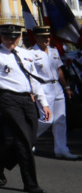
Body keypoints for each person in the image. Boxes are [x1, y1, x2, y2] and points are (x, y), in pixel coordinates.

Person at [0, 24, 52, 193]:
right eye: (6, 37)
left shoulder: (26, 53)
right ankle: (30, 183)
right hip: (8, 99)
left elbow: (34, 79)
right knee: (24, 141)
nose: (10, 41)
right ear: (1, 37)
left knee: (31, 138)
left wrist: (44, 103)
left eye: (14, 37)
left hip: (27, 99)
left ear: (19, 37)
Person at [31, 26, 77, 159]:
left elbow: (59, 70)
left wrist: (66, 87)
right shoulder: (31, 53)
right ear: (36, 37)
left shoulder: (53, 50)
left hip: (56, 87)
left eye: (48, 36)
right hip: (43, 88)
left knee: (60, 120)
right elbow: (30, 75)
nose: (47, 39)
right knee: (47, 119)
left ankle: (61, 149)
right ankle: (28, 139)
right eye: (43, 37)